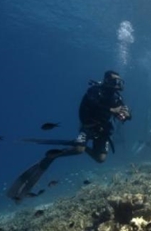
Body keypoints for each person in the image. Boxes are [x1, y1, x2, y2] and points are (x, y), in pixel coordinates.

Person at [7, 71, 131, 201]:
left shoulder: (117, 98)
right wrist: (112, 110)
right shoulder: (95, 91)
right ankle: (53, 156)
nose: (116, 85)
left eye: (118, 82)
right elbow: (93, 103)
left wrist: (126, 115)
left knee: (100, 159)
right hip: (88, 126)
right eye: (113, 81)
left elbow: (125, 113)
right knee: (78, 150)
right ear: (106, 81)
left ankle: (77, 143)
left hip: (103, 130)